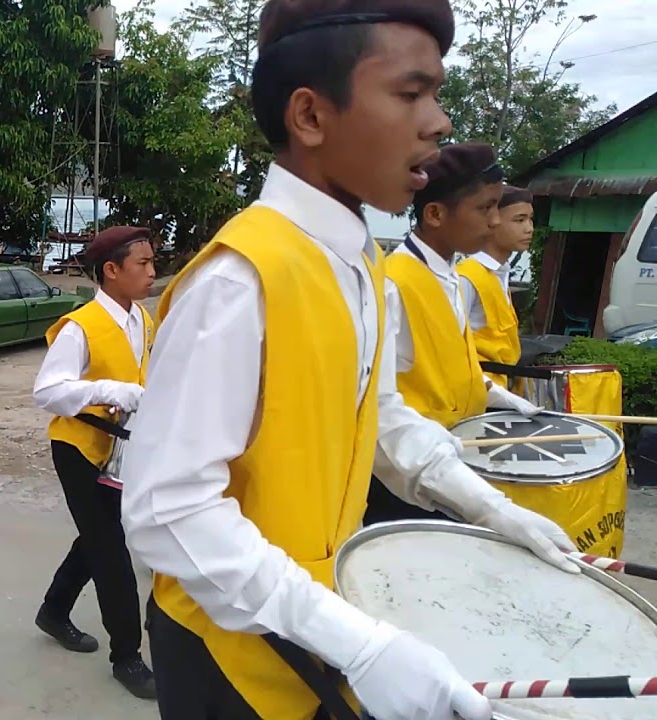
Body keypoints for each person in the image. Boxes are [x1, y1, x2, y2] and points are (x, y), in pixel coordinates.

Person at [117, 3, 580, 720]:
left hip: (313, 618)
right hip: (229, 651)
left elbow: (378, 413)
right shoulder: (240, 280)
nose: (439, 122)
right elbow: (167, 511)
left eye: (436, 95)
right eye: (410, 92)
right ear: (310, 116)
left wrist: (489, 506)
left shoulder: (360, 262)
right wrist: (362, 647)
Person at [365, 143, 542, 525]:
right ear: (434, 214)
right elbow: (376, 401)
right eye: (485, 208)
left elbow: (451, 367)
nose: (494, 221)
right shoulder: (394, 284)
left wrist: (498, 396)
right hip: (406, 475)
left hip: (454, 459)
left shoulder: (448, 275)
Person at [30, 225, 157, 698]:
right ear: (111, 270)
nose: (153, 271)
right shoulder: (80, 327)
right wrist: (108, 390)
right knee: (111, 552)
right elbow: (47, 391)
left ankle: (54, 610)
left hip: (120, 452)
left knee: (98, 536)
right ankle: (127, 657)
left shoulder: (142, 320)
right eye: (143, 263)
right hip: (78, 449)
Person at [459, 184, 534, 391]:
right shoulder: (466, 277)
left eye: (530, 219)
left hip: (500, 393)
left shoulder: (500, 275)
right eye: (519, 220)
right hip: (475, 395)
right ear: (491, 222)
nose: (529, 228)